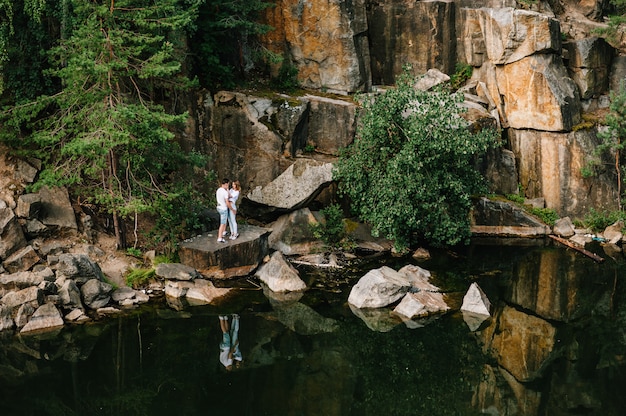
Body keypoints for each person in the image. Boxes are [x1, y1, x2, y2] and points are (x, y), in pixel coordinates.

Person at [216, 178, 232, 243]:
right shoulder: (225, 192)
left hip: (218, 207)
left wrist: (227, 189)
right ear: (225, 184)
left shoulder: (219, 190)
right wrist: (232, 209)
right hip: (223, 208)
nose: (228, 186)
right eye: (228, 185)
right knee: (222, 223)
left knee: (224, 221)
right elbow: (227, 201)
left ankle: (224, 232)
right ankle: (220, 237)